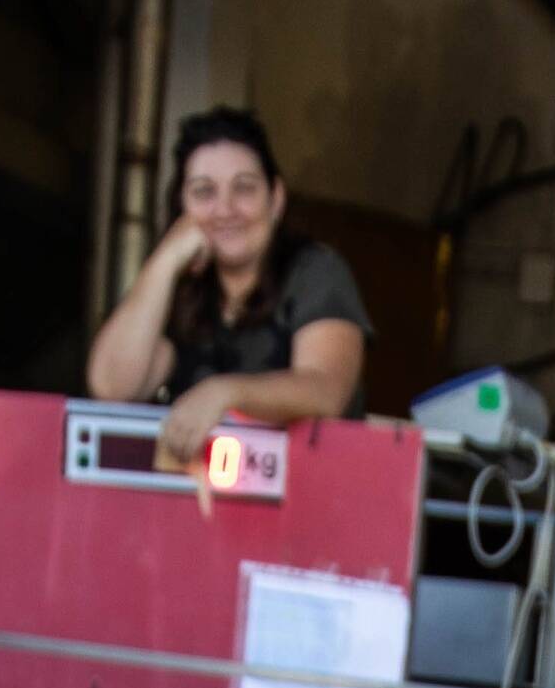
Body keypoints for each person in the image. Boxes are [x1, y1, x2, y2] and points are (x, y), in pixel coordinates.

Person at [89, 108, 367, 472]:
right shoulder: (179, 292)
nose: (224, 209)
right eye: (204, 191)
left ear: (276, 198)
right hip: (194, 517)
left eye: (244, 187)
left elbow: (325, 390)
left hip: (313, 505)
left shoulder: (315, 270)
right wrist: (167, 257)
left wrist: (225, 393)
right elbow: (112, 387)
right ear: (181, 205)